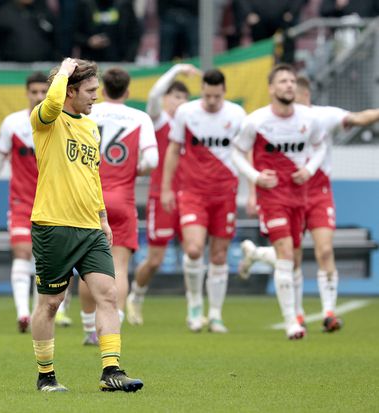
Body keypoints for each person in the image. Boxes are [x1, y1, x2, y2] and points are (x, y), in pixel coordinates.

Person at [29, 57, 143, 392]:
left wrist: (103, 218)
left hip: (90, 228)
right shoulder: (46, 119)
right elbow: (52, 103)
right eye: (90, 90)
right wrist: (64, 72)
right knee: (51, 303)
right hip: (53, 225)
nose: (96, 96)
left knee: (108, 294)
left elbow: (92, 177)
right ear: (70, 91)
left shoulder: (91, 127)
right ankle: (46, 375)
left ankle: (112, 371)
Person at [238, 75, 379, 332]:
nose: (291, 93)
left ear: (305, 95)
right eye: (285, 85)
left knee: (324, 250)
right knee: (292, 255)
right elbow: (245, 151)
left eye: (294, 88)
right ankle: (296, 312)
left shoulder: (322, 117)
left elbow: (359, 119)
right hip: (284, 192)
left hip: (318, 192)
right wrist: (253, 187)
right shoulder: (265, 121)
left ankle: (328, 312)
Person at [0, 71, 75, 333]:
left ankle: (57, 309)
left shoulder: (61, 121)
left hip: (55, 203)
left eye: (44, 92)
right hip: (22, 202)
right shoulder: (13, 123)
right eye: (34, 92)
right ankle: (23, 313)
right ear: (27, 93)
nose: (39, 96)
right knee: (21, 252)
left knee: (55, 258)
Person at [232, 64, 326, 340]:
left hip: (299, 195)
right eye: (283, 81)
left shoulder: (309, 118)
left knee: (293, 258)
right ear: (271, 88)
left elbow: (320, 146)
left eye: (292, 81)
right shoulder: (256, 121)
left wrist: (309, 169)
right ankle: (292, 322)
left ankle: (257, 254)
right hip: (272, 196)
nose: (289, 85)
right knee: (285, 254)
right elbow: (237, 152)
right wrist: (255, 177)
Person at [160, 69, 246, 333]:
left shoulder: (237, 115)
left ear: (224, 91)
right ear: (202, 90)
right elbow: (173, 149)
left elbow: (246, 152)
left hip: (225, 192)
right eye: (207, 96)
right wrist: (166, 188)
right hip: (192, 192)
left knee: (219, 255)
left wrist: (252, 189)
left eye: (216, 97)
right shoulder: (186, 113)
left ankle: (216, 314)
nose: (211, 101)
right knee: (195, 249)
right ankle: (195, 306)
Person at [78, 67, 158, 345]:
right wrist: (135, 170)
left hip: (88, 197)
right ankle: (114, 324)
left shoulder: (88, 112)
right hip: (122, 198)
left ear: (102, 90)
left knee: (87, 267)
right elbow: (153, 160)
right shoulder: (139, 117)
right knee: (119, 266)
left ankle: (89, 328)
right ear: (127, 91)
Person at [125, 64, 198, 326]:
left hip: (190, 195)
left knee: (193, 252)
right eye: (175, 96)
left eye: (184, 97)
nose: (180, 102)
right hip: (161, 196)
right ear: (166, 99)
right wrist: (176, 70)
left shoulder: (192, 123)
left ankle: (194, 310)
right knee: (155, 260)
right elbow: (154, 94)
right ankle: (136, 296)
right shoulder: (159, 120)